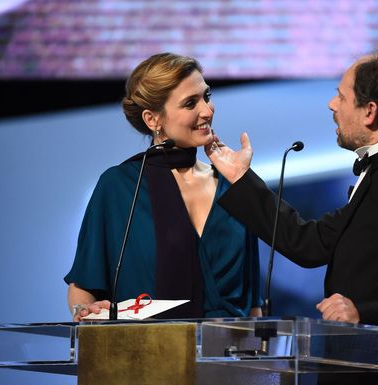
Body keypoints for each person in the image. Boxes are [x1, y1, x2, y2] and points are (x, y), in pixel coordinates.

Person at [205, 52, 378, 385]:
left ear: (370, 112)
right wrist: (242, 178)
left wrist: (365, 312)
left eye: (342, 96)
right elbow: (310, 244)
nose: (332, 104)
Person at [65, 53, 262, 321]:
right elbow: (83, 288)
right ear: (153, 119)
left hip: (228, 356)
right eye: (190, 103)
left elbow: (253, 305)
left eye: (206, 96)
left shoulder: (232, 187)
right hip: (149, 355)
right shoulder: (120, 187)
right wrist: (83, 313)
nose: (207, 110)